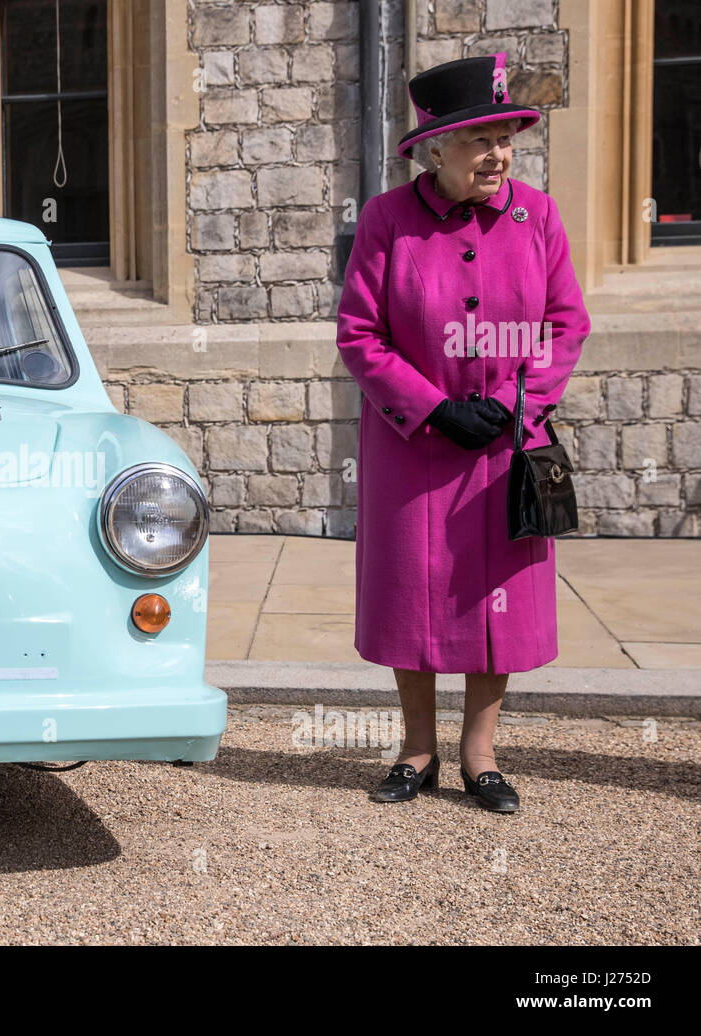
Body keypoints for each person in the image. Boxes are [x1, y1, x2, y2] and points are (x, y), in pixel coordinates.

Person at [335, 53, 590, 812]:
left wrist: (520, 406)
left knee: (494, 599)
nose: (498, 153)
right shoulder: (387, 221)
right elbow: (360, 335)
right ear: (433, 148)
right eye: (480, 138)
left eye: (506, 135)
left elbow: (565, 323)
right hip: (414, 449)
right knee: (410, 594)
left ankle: (481, 754)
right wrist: (433, 407)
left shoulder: (537, 215)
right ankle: (418, 749)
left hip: (507, 446)